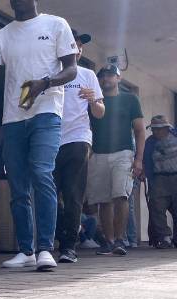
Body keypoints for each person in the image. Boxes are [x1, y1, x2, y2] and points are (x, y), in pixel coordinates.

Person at [0, 0, 77, 271]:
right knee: (17, 184)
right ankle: (26, 250)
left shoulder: (55, 24)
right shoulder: (2, 35)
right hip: (13, 119)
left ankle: (44, 249)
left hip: (47, 112)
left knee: (41, 173)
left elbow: (71, 68)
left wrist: (47, 83)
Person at [52, 29, 105, 263]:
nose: (78, 48)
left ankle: (68, 246)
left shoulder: (87, 75)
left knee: (73, 195)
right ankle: (55, 236)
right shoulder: (50, 73)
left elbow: (100, 113)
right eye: (74, 44)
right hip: (50, 139)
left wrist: (93, 100)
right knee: (50, 195)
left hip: (78, 138)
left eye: (80, 45)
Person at [88, 64, 146, 256]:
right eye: (103, 76)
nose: (106, 79)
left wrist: (139, 159)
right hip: (98, 153)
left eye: (111, 75)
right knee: (103, 200)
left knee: (121, 195)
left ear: (119, 78)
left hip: (124, 153)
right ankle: (109, 241)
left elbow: (139, 130)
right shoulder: (95, 101)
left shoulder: (130, 99)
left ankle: (120, 240)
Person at [143, 115, 177, 249]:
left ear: (167, 128)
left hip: (175, 176)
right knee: (157, 208)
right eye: (153, 129)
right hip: (158, 178)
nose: (156, 132)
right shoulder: (150, 142)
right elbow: (145, 159)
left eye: (159, 129)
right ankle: (164, 237)